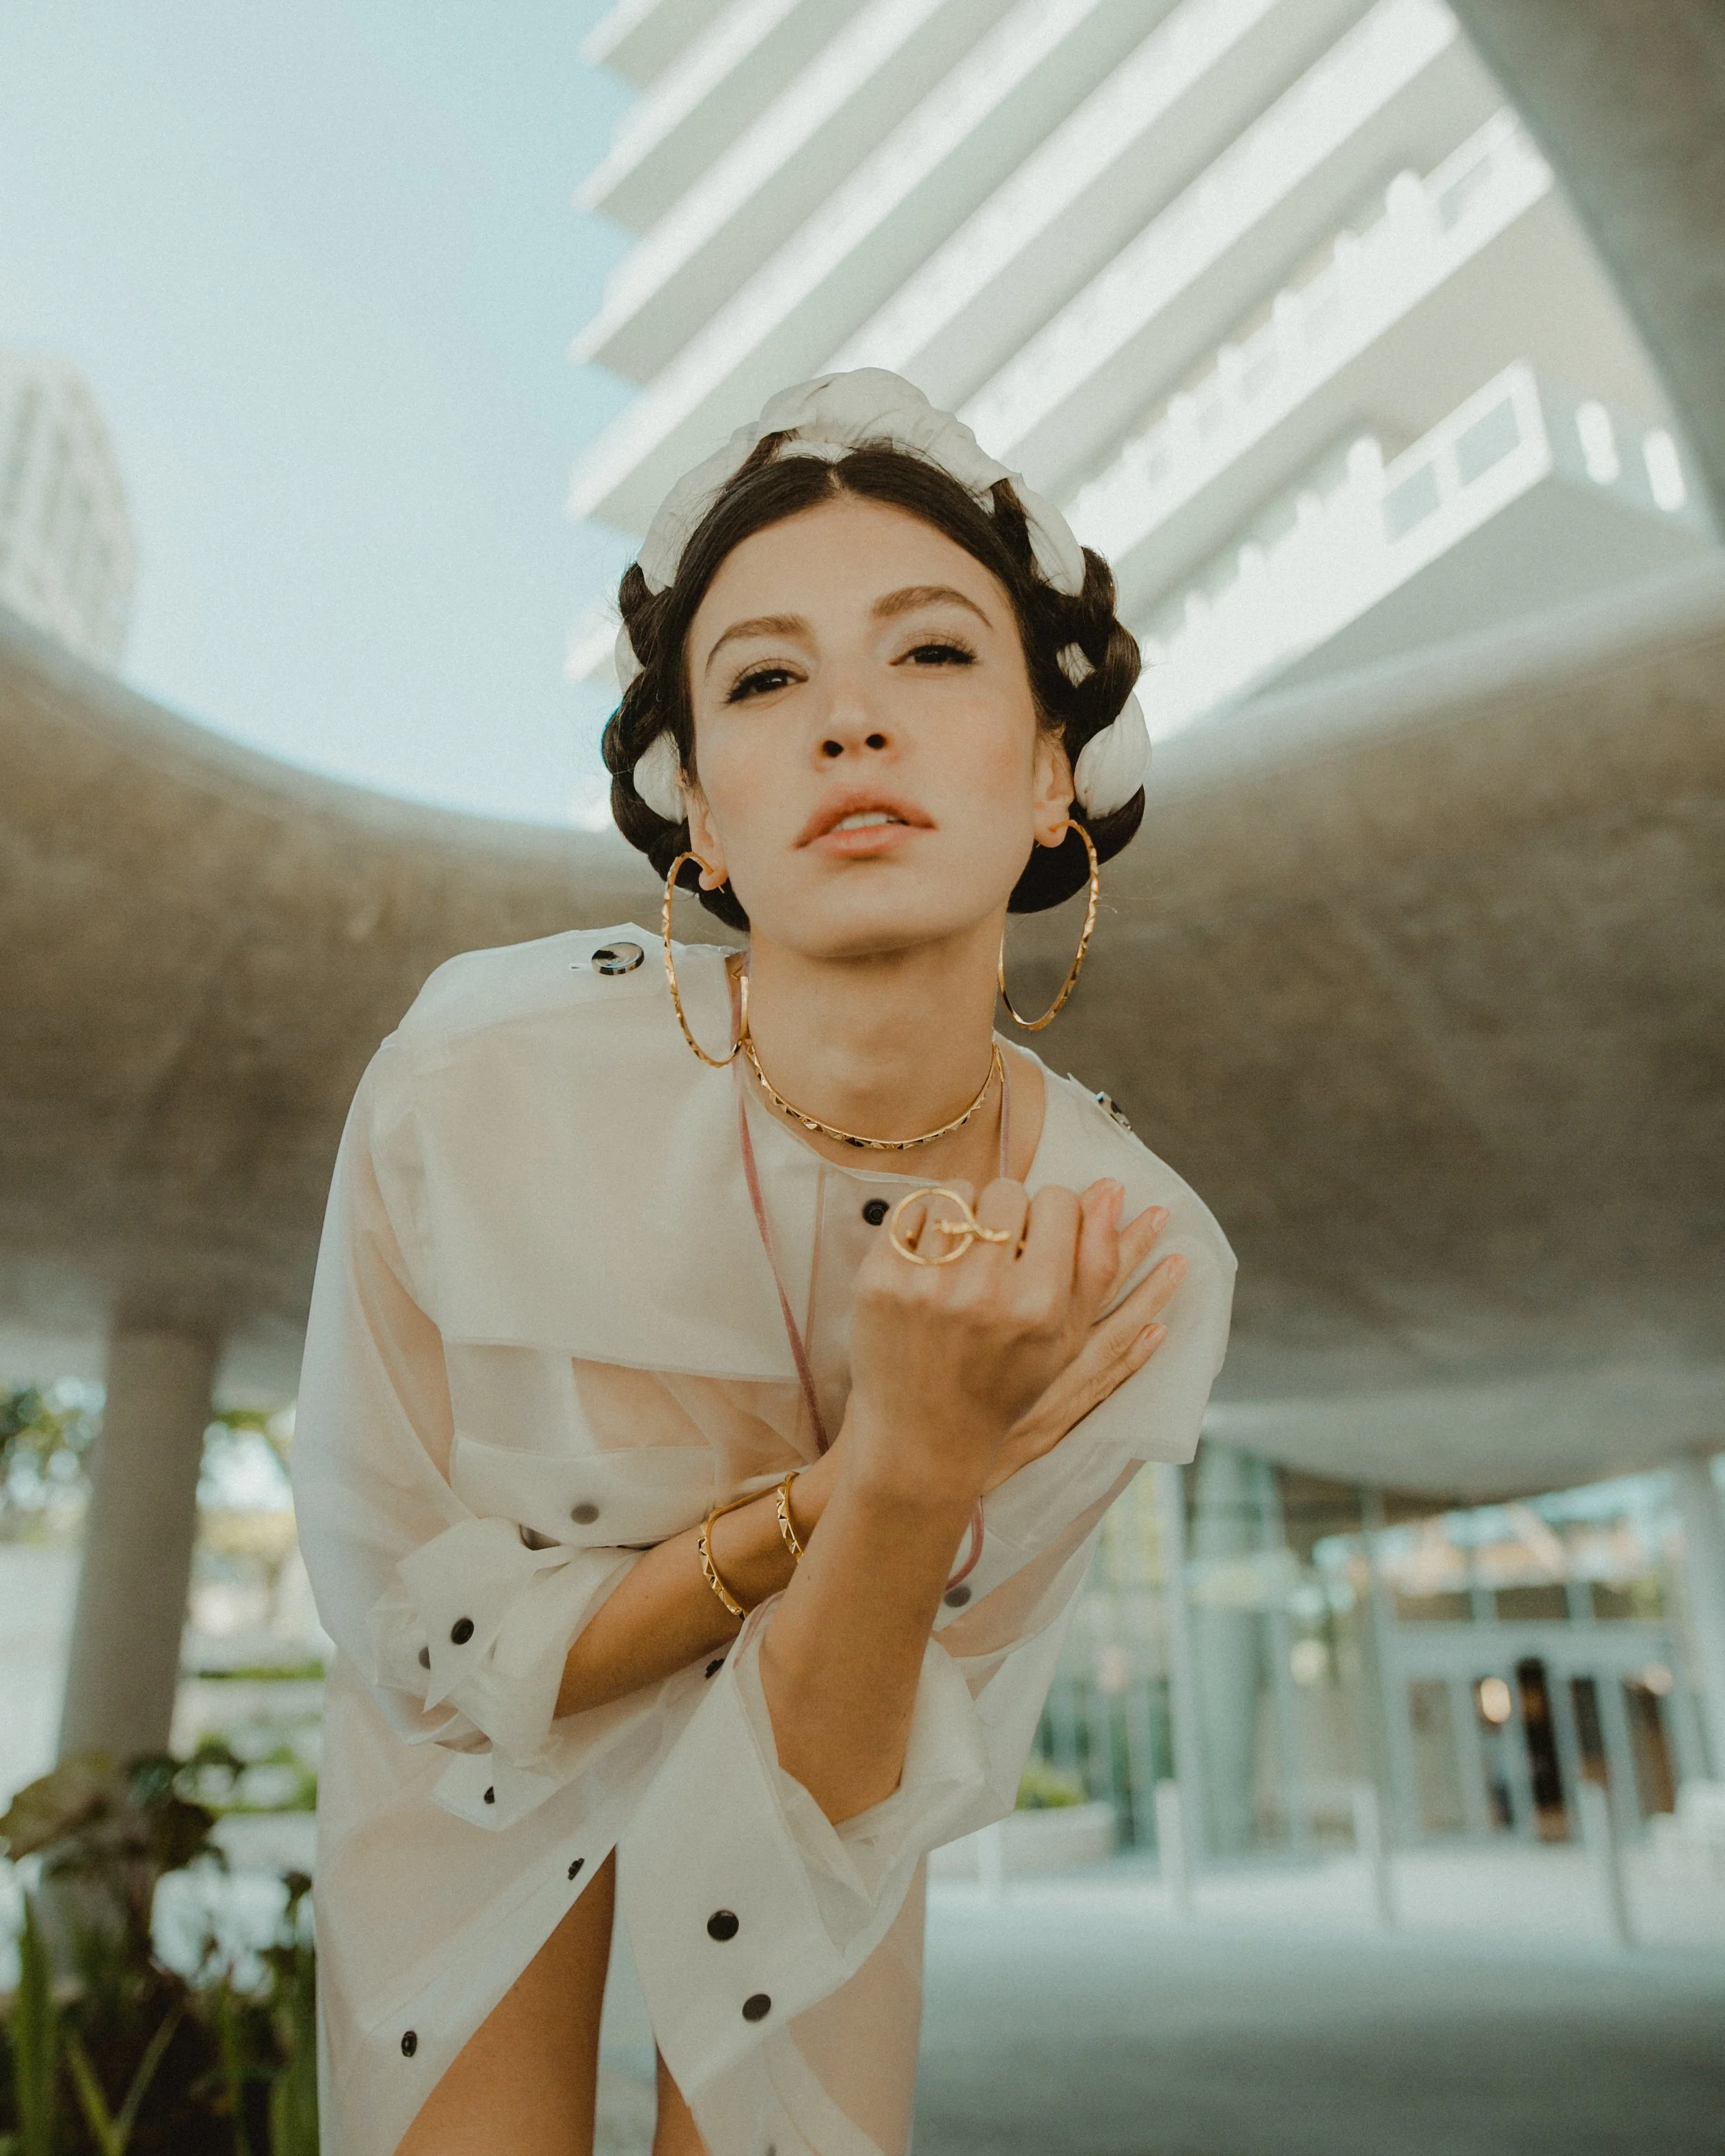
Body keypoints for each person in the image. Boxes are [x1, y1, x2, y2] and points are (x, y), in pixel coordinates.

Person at [292, 369, 1236, 2156]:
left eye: (933, 655)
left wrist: (897, 1505)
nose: (849, 722)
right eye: (764, 676)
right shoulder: (470, 1088)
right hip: (476, 1732)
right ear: (699, 816)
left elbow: (843, 1788)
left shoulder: (1129, 1257)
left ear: (1052, 770)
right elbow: (428, 1638)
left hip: (836, 1758)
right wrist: (871, 1473)